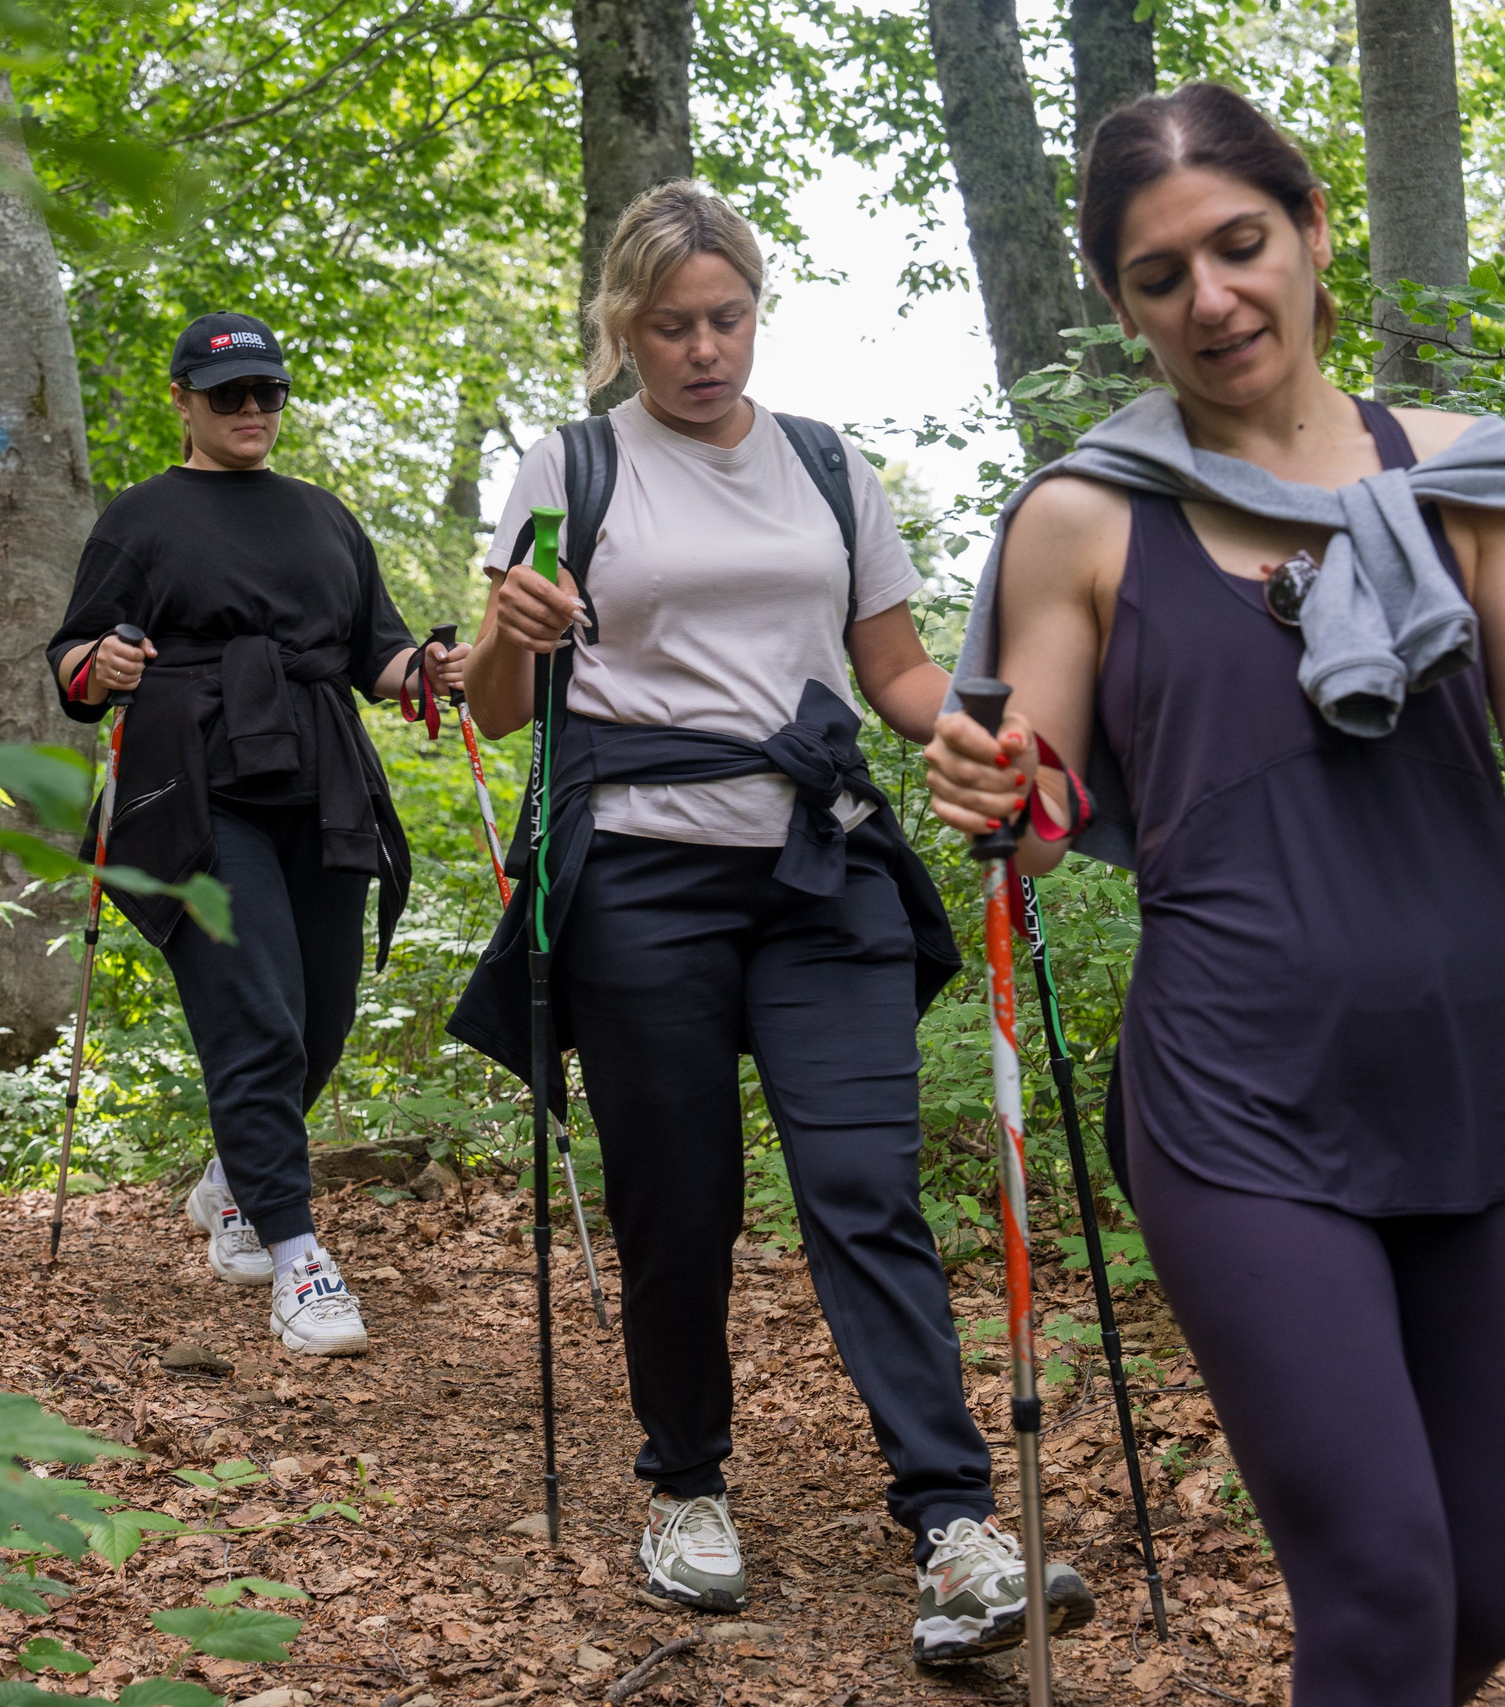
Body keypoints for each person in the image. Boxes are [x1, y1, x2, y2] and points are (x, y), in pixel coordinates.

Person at [923, 84, 1505, 1707]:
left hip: (1498, 1079)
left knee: (1480, 1603)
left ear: (1313, 235)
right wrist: (993, 779)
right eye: (1158, 274)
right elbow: (1042, 801)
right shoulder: (1085, 515)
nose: (1210, 296)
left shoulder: (1472, 476)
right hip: (1241, 1100)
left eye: (1239, 243)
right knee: (1380, 1587)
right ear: (1123, 305)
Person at [447, 181, 1090, 1663]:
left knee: (865, 1183)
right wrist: (508, 629)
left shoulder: (823, 462)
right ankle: (683, 1481)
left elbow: (898, 674)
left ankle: (955, 1521)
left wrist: (988, 735)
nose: (703, 350)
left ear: (755, 312)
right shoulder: (574, 461)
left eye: (726, 318)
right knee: (680, 1204)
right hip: (636, 874)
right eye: (671, 325)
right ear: (626, 326)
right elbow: (493, 704)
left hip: (823, 863)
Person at [46, 312, 461, 1359]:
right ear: (182, 399)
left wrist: (434, 671)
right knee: (257, 1015)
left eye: (266, 393)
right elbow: (73, 669)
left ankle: (235, 1178)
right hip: (195, 791)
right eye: (226, 394)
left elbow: (382, 658)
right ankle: (297, 1260)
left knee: (320, 1023)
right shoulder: (140, 519)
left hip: (322, 783)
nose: (249, 412)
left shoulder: (324, 517)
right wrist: (107, 665)